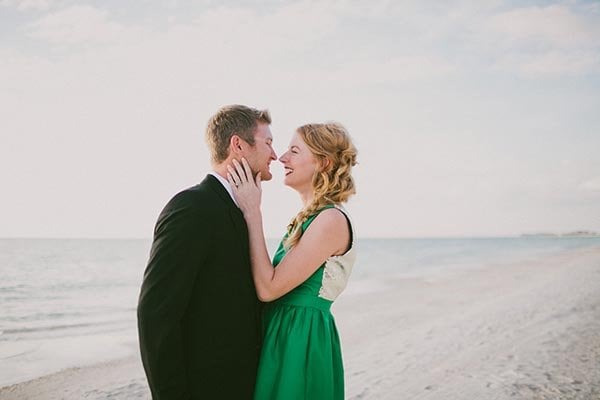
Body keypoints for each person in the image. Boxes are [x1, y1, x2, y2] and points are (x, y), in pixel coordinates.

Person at [137, 104, 277, 399]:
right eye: (268, 143)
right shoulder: (192, 207)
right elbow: (156, 314)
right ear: (238, 144)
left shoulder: (243, 210)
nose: (274, 155)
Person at [227, 122, 358, 400]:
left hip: (301, 342)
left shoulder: (331, 220)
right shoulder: (309, 218)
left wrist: (253, 211)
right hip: (283, 334)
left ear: (323, 162)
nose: (282, 158)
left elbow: (268, 288)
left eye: (294, 151)